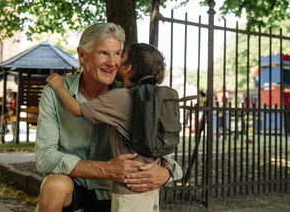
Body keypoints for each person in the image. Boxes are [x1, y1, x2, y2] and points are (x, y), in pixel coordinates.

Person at [35, 23, 181, 212]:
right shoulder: (55, 92)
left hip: (114, 190)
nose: (113, 63)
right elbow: (45, 157)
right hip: (73, 182)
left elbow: (162, 151)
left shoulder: (134, 96)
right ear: (82, 55)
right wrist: (105, 169)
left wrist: (166, 172)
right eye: (104, 53)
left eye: (118, 54)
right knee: (53, 187)